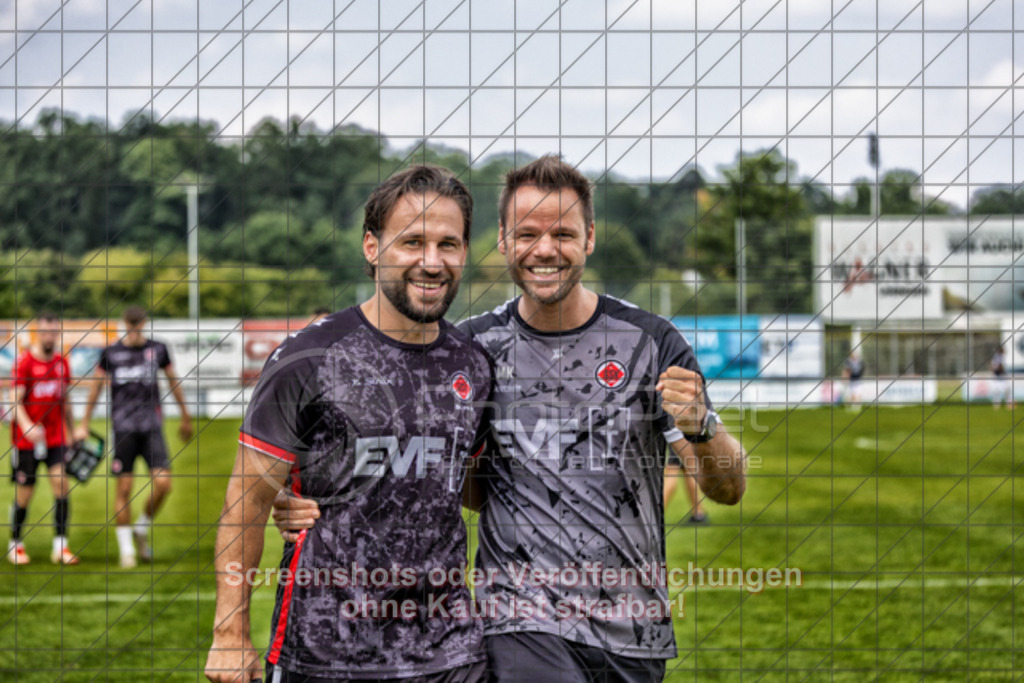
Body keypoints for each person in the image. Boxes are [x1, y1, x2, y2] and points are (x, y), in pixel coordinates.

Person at [274, 156, 747, 682]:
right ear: (503, 241)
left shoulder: (651, 342)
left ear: (589, 238)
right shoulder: (471, 349)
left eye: (563, 234)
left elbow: (727, 488)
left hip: (634, 630)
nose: (544, 249)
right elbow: (404, 443)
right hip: (519, 618)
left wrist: (703, 428)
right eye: (527, 234)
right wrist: (300, 490)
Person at [205, 165, 493, 683]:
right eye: (412, 242)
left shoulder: (473, 363)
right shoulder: (308, 357)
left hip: (450, 656)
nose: (432, 261)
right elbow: (244, 502)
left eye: (448, 244)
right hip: (324, 652)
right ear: (371, 246)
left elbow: (471, 488)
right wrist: (229, 633)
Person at [75, 306, 193, 568]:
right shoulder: (111, 353)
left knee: (164, 485)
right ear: (124, 323)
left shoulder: (158, 349)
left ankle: (141, 528)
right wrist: (83, 422)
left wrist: (186, 415)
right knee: (124, 489)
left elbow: (173, 381)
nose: (134, 328)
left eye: (138, 324)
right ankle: (126, 548)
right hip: (123, 428)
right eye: (131, 324)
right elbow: (95, 388)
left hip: (151, 426)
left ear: (144, 323)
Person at [6, 311, 78, 565]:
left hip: (55, 437)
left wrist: (73, 430)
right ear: (38, 333)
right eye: (45, 332)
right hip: (26, 441)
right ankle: (15, 544)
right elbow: (14, 400)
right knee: (25, 491)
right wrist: (26, 425)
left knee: (61, 486)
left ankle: (61, 547)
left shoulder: (62, 363)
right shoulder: (25, 363)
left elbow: (65, 400)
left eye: (53, 332)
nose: (50, 337)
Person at [663, 445, 707, 524]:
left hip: (679, 435)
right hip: (688, 434)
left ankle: (657, 514)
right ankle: (698, 514)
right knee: (688, 467)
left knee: (672, 468)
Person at [991, 345, 1013, 409]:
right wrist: (1000, 369)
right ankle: (998, 405)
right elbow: (998, 367)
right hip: (999, 376)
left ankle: (1005, 404)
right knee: (998, 391)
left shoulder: (1000, 357)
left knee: (1005, 390)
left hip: (1001, 376)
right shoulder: (998, 357)